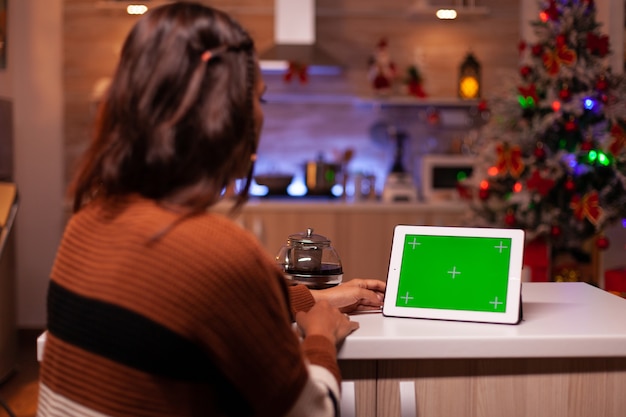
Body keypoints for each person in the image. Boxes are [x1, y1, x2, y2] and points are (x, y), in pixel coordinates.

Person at [37, 2, 385, 417]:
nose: (260, 116)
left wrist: (314, 299)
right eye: (260, 99)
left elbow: (197, 299)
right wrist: (322, 338)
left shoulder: (88, 222)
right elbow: (312, 412)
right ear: (224, 115)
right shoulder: (217, 251)